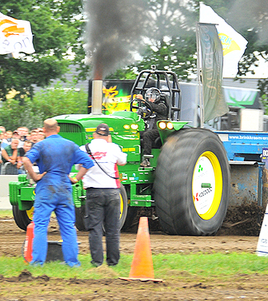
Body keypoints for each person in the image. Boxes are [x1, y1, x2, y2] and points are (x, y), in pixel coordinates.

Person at [22, 118, 94, 267]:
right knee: (68, 226)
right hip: (64, 186)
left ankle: (37, 261)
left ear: (44, 130)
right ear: (58, 129)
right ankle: (72, 262)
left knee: (41, 225)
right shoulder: (70, 145)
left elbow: (26, 160)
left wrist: (35, 177)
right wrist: (76, 178)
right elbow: (88, 163)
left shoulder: (41, 145)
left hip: (46, 187)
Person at [78, 123, 127, 267]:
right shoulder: (113, 147)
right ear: (107, 136)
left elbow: (78, 167)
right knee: (112, 229)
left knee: (95, 228)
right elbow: (123, 162)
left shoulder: (85, 149)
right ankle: (113, 261)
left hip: (93, 192)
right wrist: (110, 145)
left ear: (94, 135)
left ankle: (97, 262)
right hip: (112, 191)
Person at [136, 87, 169, 166]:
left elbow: (156, 108)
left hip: (159, 130)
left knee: (147, 135)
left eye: (152, 97)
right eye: (148, 97)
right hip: (147, 128)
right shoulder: (146, 109)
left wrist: (144, 101)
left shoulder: (162, 106)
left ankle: (146, 160)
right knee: (135, 133)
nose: (150, 99)